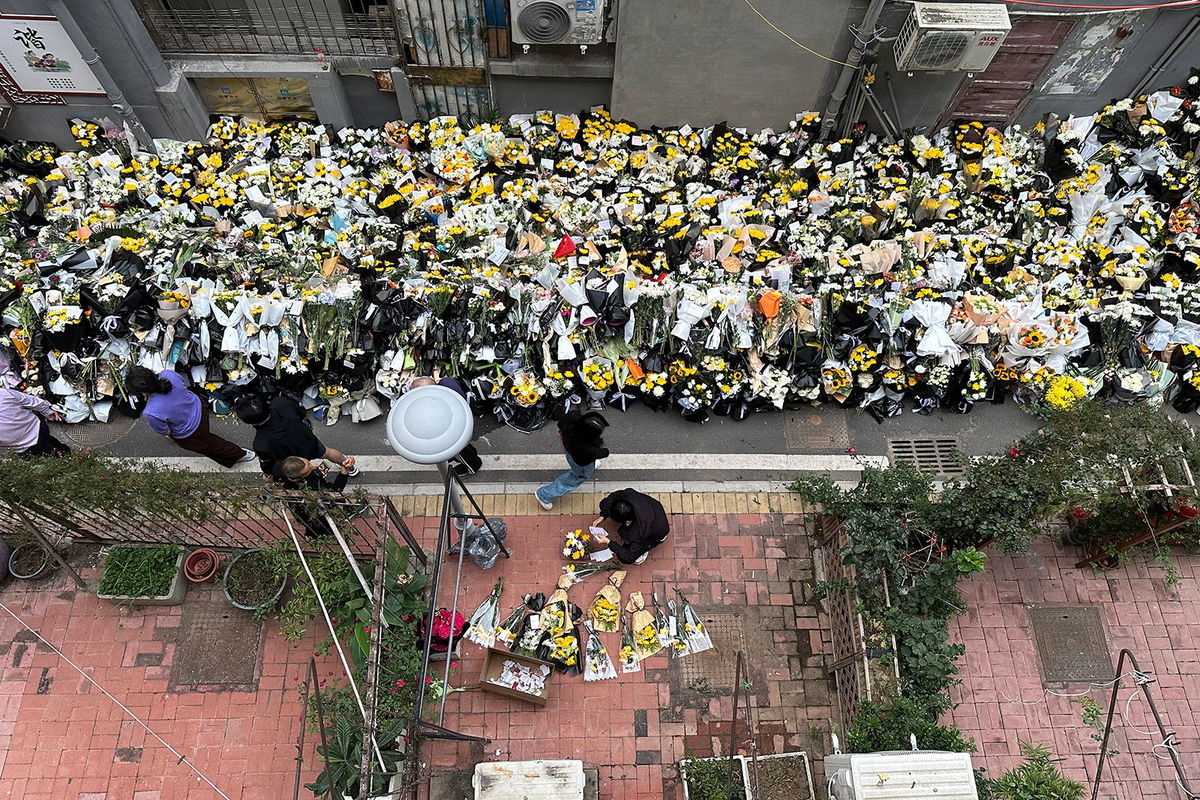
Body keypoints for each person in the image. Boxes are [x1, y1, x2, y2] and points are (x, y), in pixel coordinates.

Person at [125, 366, 253, 468]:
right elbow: (183, 385)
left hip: (191, 431)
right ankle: (232, 455)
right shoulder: (168, 374)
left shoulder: (151, 412)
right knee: (209, 442)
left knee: (211, 446)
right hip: (199, 408)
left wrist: (172, 437)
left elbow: (166, 431)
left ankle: (239, 454)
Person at [233, 394, 359, 478]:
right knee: (327, 452)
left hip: (292, 459)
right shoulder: (281, 403)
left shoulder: (261, 443)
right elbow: (301, 411)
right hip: (307, 440)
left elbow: (268, 465)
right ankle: (349, 466)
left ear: (249, 422)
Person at [534, 410, 609, 510]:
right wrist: (605, 452)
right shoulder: (586, 447)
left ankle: (590, 468)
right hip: (582, 463)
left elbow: (569, 417)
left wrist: (561, 427)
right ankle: (544, 495)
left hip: (572, 453)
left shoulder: (574, 424)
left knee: (584, 468)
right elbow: (597, 453)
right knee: (576, 477)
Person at [409, 377, 482, 476]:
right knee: (466, 449)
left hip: (454, 435)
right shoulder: (447, 383)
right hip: (465, 422)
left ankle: (472, 467)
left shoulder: (434, 407)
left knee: (461, 453)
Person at [271, 455, 357, 538]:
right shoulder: (313, 486)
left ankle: (311, 533)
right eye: (309, 469)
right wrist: (345, 470)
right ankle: (325, 534)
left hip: (299, 508)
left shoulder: (279, 468)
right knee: (322, 523)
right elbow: (335, 491)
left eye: (309, 463)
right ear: (297, 479)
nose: (314, 466)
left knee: (311, 524)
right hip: (315, 509)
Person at [590, 488, 669, 565]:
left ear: (627, 521)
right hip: (653, 509)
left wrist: (608, 542)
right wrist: (603, 516)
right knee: (604, 504)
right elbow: (613, 496)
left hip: (658, 532)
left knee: (624, 558)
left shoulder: (640, 532)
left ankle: (644, 550)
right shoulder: (629, 494)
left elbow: (628, 557)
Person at [0, 386, 70, 457]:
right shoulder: (3, 393)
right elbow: (29, 400)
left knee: (44, 452)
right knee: (49, 442)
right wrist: (47, 410)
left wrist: (47, 410)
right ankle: (64, 452)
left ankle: (62, 455)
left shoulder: (3, 393)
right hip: (37, 428)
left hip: (23, 446)